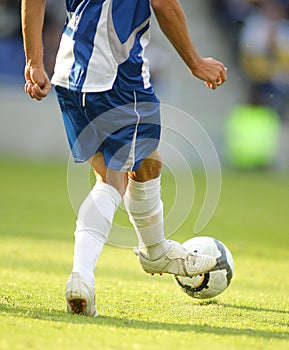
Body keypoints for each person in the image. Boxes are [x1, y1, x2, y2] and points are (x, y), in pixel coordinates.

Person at [21, 0, 227, 317]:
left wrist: (35, 60)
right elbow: (162, 3)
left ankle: (153, 250)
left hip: (69, 71)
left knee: (147, 163)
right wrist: (195, 62)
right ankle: (85, 276)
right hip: (115, 76)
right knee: (111, 182)